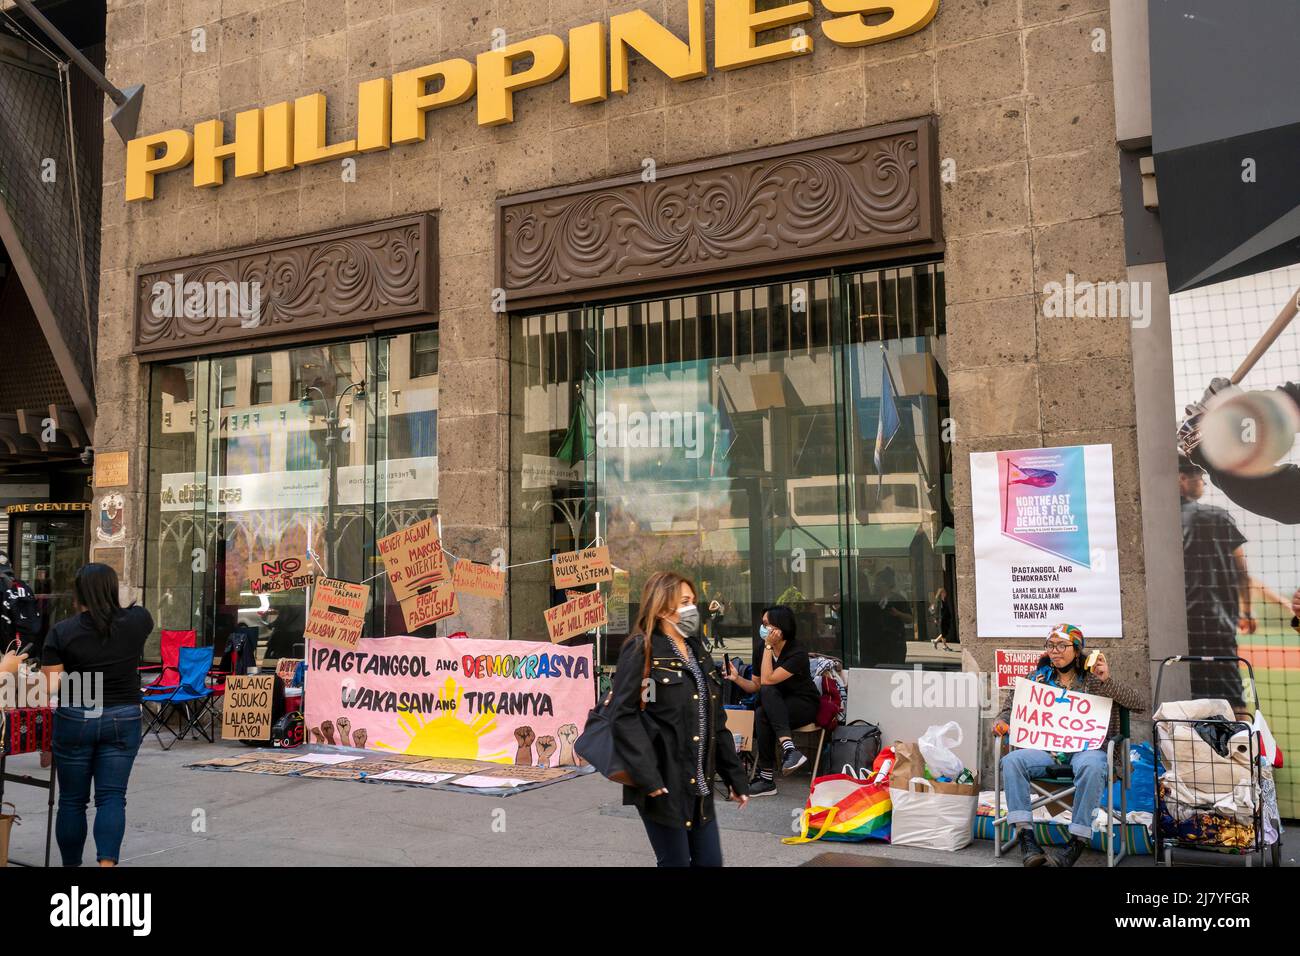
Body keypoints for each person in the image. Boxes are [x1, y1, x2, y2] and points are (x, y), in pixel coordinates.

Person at [610, 571, 749, 867]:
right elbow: (623, 716)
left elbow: (716, 721)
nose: (692, 609)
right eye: (684, 601)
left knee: (710, 863)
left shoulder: (698, 652)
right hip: (663, 784)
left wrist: (735, 777)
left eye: (693, 601)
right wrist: (648, 776)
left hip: (701, 786)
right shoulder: (642, 649)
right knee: (675, 863)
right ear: (661, 608)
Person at [992, 623, 1146, 868]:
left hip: (1086, 751)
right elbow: (1010, 708)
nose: (1055, 651)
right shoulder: (1037, 679)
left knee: (1094, 765)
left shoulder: (1094, 680)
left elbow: (1139, 704)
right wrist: (1001, 721)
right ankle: (1026, 838)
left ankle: (1077, 841)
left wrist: (1107, 681)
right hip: (1047, 752)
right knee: (1012, 761)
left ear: (1077, 650)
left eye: (1062, 646)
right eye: (1051, 645)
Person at [41, 563, 154, 867]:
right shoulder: (139, 620)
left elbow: (50, 686)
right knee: (112, 797)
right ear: (112, 588)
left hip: (76, 714)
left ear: (78, 594)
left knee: (72, 801)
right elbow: (128, 620)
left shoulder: (62, 632)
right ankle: (107, 865)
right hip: (123, 714)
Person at [1179, 456, 1252, 713]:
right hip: (1215, 624)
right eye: (1200, 478)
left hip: (1175, 627)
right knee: (1233, 701)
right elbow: (1241, 570)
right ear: (1182, 479)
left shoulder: (1157, 521)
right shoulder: (1217, 516)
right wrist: (1247, 611)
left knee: (1183, 700)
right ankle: (1243, 751)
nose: (1203, 484)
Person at [723, 604, 820, 796]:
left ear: (779, 627)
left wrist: (768, 646)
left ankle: (769, 776)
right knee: (762, 711)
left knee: (766, 700)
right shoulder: (762, 649)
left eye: (766, 624)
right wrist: (737, 679)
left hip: (804, 704)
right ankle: (787, 753)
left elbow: (768, 680)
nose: (763, 627)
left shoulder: (797, 652)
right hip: (776, 706)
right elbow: (756, 685)